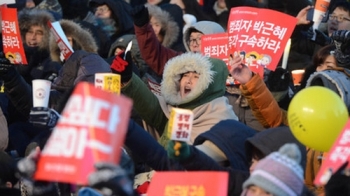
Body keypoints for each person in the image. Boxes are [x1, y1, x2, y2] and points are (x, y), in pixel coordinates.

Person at [114, 52, 238, 147]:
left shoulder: (221, 117)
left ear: (210, 85)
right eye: (185, 75)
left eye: (196, 76)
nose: (188, 80)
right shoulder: (177, 109)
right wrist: (128, 78)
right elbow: (154, 110)